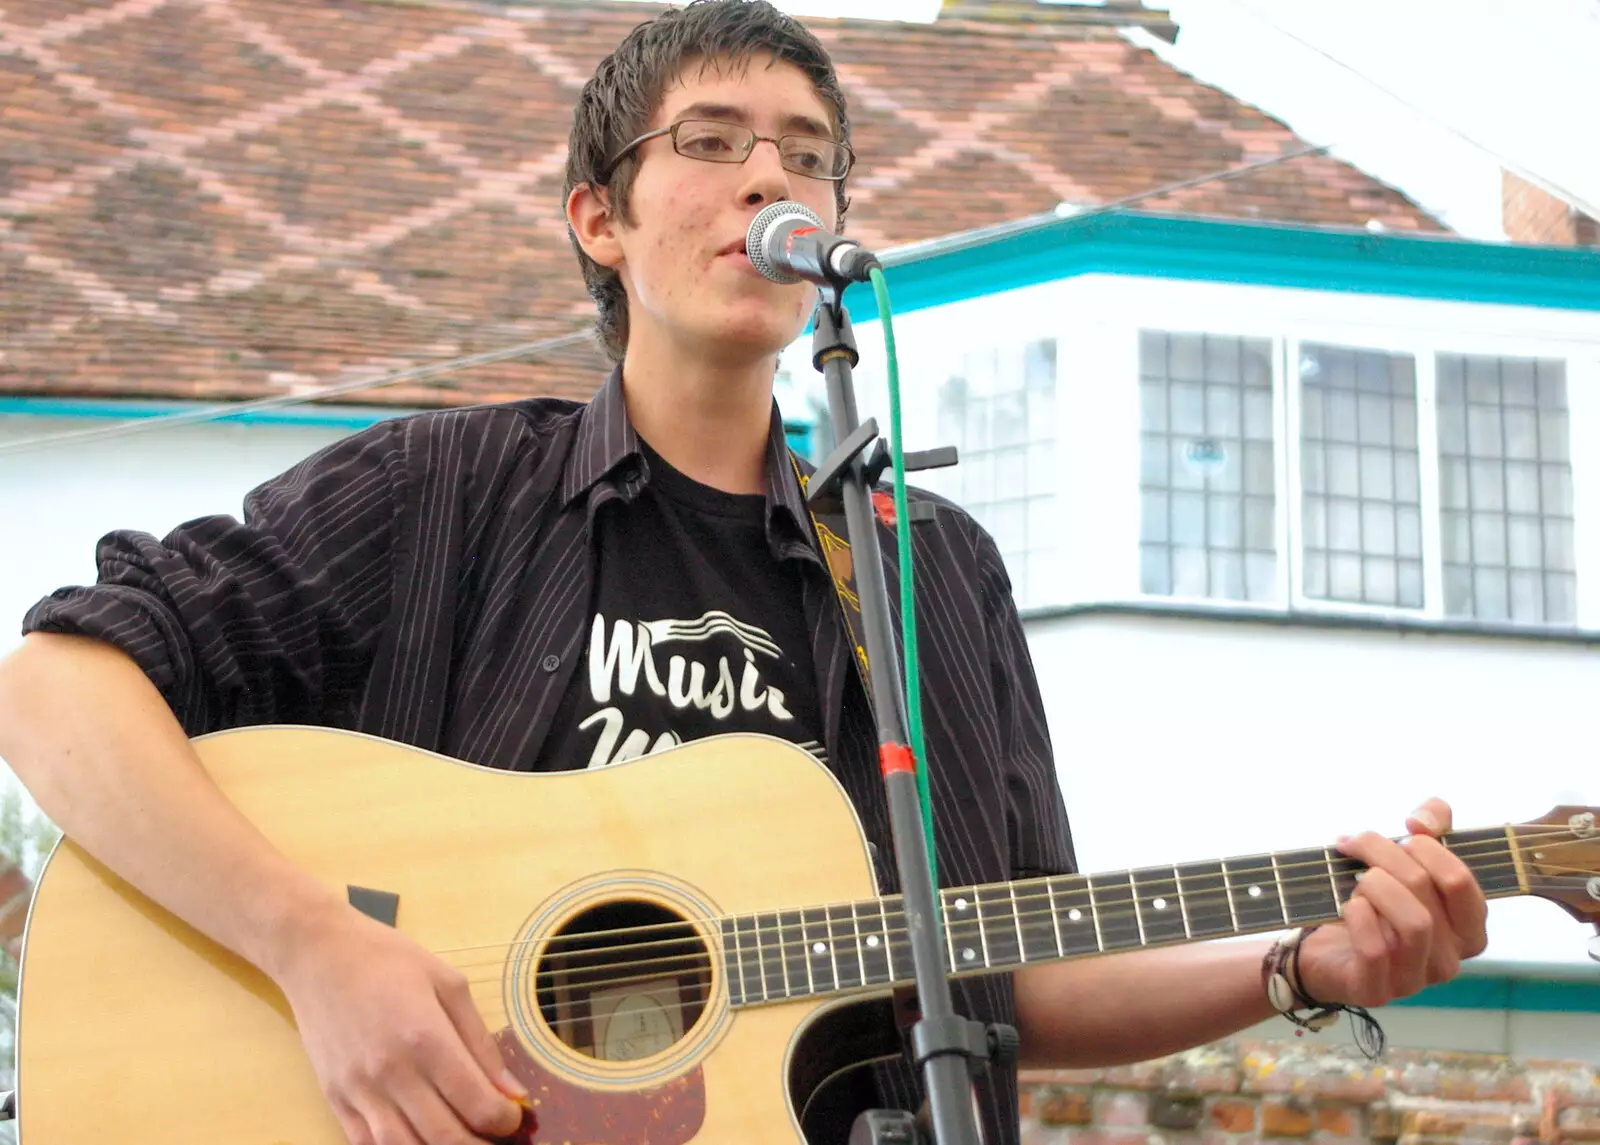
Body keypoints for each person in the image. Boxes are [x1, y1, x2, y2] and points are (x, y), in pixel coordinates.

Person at [0, 2, 1488, 1143]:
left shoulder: (930, 573)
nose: (764, 173)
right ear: (601, 219)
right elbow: (55, 687)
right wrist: (314, 948)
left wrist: (1300, 967)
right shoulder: (444, 491)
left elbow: (1001, 970)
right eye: (710, 141)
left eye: (804, 152)